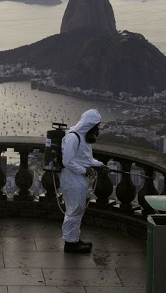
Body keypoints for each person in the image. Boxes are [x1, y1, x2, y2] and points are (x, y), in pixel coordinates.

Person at [60, 108, 106, 253]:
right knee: (74, 210)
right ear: (89, 125)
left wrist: (99, 165)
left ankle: (74, 238)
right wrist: (84, 170)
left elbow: (86, 159)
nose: (97, 130)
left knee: (79, 209)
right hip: (71, 178)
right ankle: (70, 243)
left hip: (79, 179)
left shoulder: (84, 138)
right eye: (96, 126)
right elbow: (67, 161)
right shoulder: (73, 137)